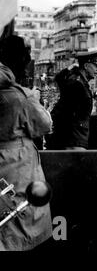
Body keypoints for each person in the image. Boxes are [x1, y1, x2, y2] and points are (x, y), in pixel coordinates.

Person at [0, 35, 52, 250]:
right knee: (21, 224)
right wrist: (34, 99)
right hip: (17, 167)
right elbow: (44, 125)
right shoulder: (20, 97)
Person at [49, 58, 97, 150]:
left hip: (76, 137)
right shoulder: (77, 84)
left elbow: (59, 79)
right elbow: (67, 111)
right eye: (95, 65)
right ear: (86, 66)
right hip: (75, 140)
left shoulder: (80, 82)